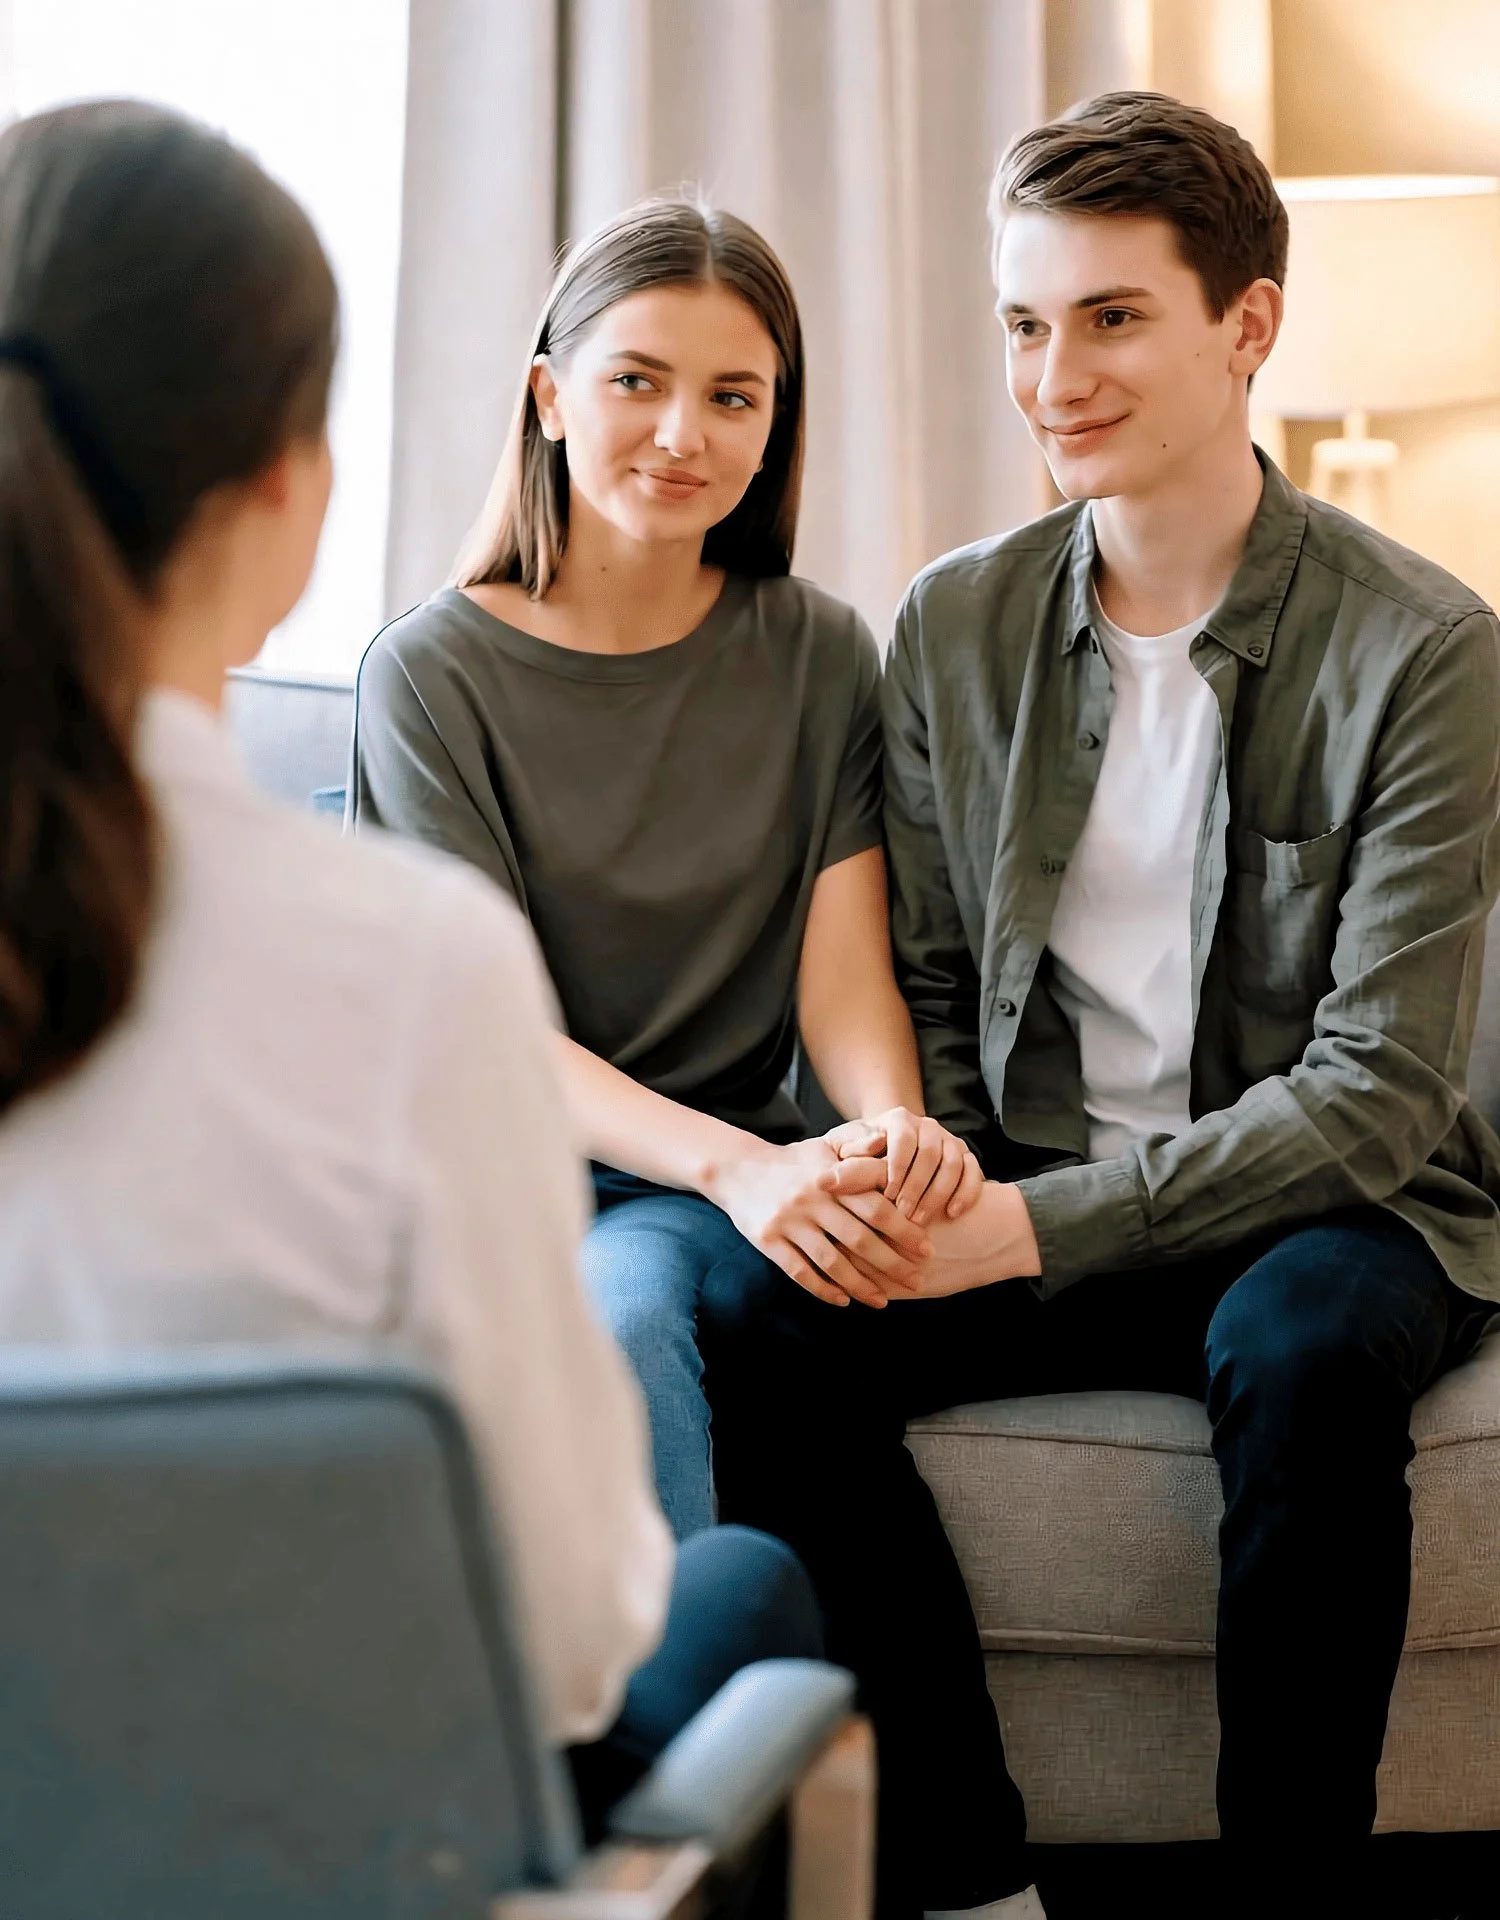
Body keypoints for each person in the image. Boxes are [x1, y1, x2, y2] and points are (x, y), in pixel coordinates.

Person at [702, 92, 1500, 1920]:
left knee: (1298, 1354)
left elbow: (1378, 1091)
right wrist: (923, 1185)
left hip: (1338, 1214)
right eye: (1022, 322)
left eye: (1113, 318)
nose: (1053, 375)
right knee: (760, 1312)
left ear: (1249, 327)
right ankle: (971, 1880)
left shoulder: (1426, 650)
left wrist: (1019, 1237)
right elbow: (918, 974)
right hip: (1037, 1183)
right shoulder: (955, 624)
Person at [0, 99, 820, 1842]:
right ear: (292, 494)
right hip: (331, 1832)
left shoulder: (804, 659)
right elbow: (572, 1633)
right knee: (734, 1592)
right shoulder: (410, 969)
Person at [350, 195, 982, 1538]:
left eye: (734, 396)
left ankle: (750, 1724)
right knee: (594, 1318)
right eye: (637, 380)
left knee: (681, 1314)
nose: (685, 435)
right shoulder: (427, 675)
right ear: (550, 396)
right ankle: (660, 1731)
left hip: (703, 1186)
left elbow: (843, 978)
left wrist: (886, 1128)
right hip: (511, 1178)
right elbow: (495, 1041)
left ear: (776, 424)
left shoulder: (819, 654)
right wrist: (738, 1171)